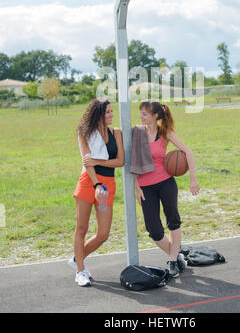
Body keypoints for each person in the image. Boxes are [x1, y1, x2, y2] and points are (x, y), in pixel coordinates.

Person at [132, 100, 200, 278]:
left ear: (155, 116)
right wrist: (136, 187)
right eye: (141, 113)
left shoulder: (165, 133)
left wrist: (193, 178)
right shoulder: (137, 132)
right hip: (146, 187)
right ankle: (176, 256)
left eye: (144, 113)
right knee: (154, 230)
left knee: (173, 221)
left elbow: (188, 152)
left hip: (166, 183)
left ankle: (172, 262)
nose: (141, 116)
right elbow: (133, 161)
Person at [69, 98, 124, 287]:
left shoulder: (116, 132)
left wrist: (98, 162)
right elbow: (87, 162)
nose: (111, 114)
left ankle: (77, 258)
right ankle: (80, 271)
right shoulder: (84, 132)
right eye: (107, 112)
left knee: (103, 234)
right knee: (82, 228)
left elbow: (120, 161)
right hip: (89, 183)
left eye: (111, 111)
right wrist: (96, 185)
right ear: (98, 114)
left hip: (108, 184)